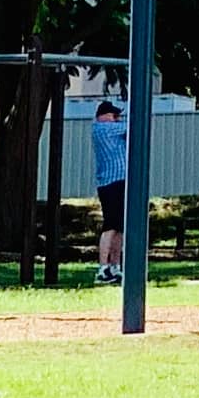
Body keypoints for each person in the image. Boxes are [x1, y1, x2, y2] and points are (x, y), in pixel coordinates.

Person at [91, 97, 129, 284]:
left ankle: (115, 266)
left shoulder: (111, 129)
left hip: (120, 182)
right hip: (111, 183)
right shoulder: (102, 129)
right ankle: (103, 268)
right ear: (103, 116)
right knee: (111, 226)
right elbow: (134, 126)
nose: (117, 118)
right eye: (114, 115)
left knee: (120, 228)